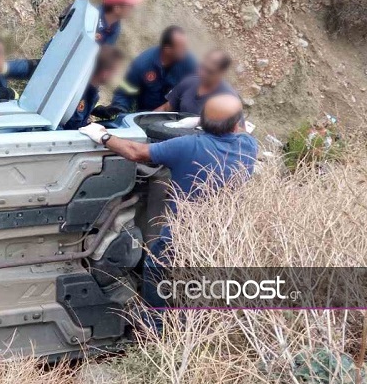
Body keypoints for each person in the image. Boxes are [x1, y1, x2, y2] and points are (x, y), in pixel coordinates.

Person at [79, 94, 257, 318]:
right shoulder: (249, 146)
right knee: (196, 288)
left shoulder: (189, 145)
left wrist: (103, 136)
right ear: (237, 124)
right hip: (220, 236)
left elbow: (136, 152)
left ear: (202, 122)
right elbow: (239, 130)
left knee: (157, 281)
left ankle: (157, 327)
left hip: (179, 236)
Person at [94, 26, 197, 119]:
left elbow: (199, 90)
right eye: (181, 48)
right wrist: (120, 108)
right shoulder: (142, 64)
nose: (186, 50)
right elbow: (125, 92)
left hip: (176, 116)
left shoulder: (190, 64)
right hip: (145, 116)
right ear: (167, 49)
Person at [154, 49, 236, 114]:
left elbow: (239, 131)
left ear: (221, 73)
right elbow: (166, 108)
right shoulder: (189, 82)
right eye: (202, 67)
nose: (202, 73)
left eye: (209, 71)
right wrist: (144, 121)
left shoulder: (228, 98)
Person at [62, 46, 124, 130]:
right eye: (115, 72)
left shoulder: (90, 89)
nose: (116, 76)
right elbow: (70, 129)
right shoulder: (79, 93)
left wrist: (99, 110)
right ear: (105, 73)